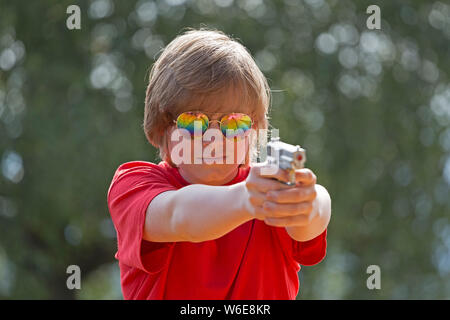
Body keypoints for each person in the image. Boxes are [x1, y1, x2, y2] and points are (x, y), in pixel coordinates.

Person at [107, 28, 331, 300]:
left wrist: (308, 201)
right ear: (162, 128)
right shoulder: (133, 184)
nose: (214, 137)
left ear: (253, 130)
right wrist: (250, 199)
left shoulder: (268, 189)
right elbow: (178, 216)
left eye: (234, 123)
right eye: (193, 121)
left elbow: (313, 216)